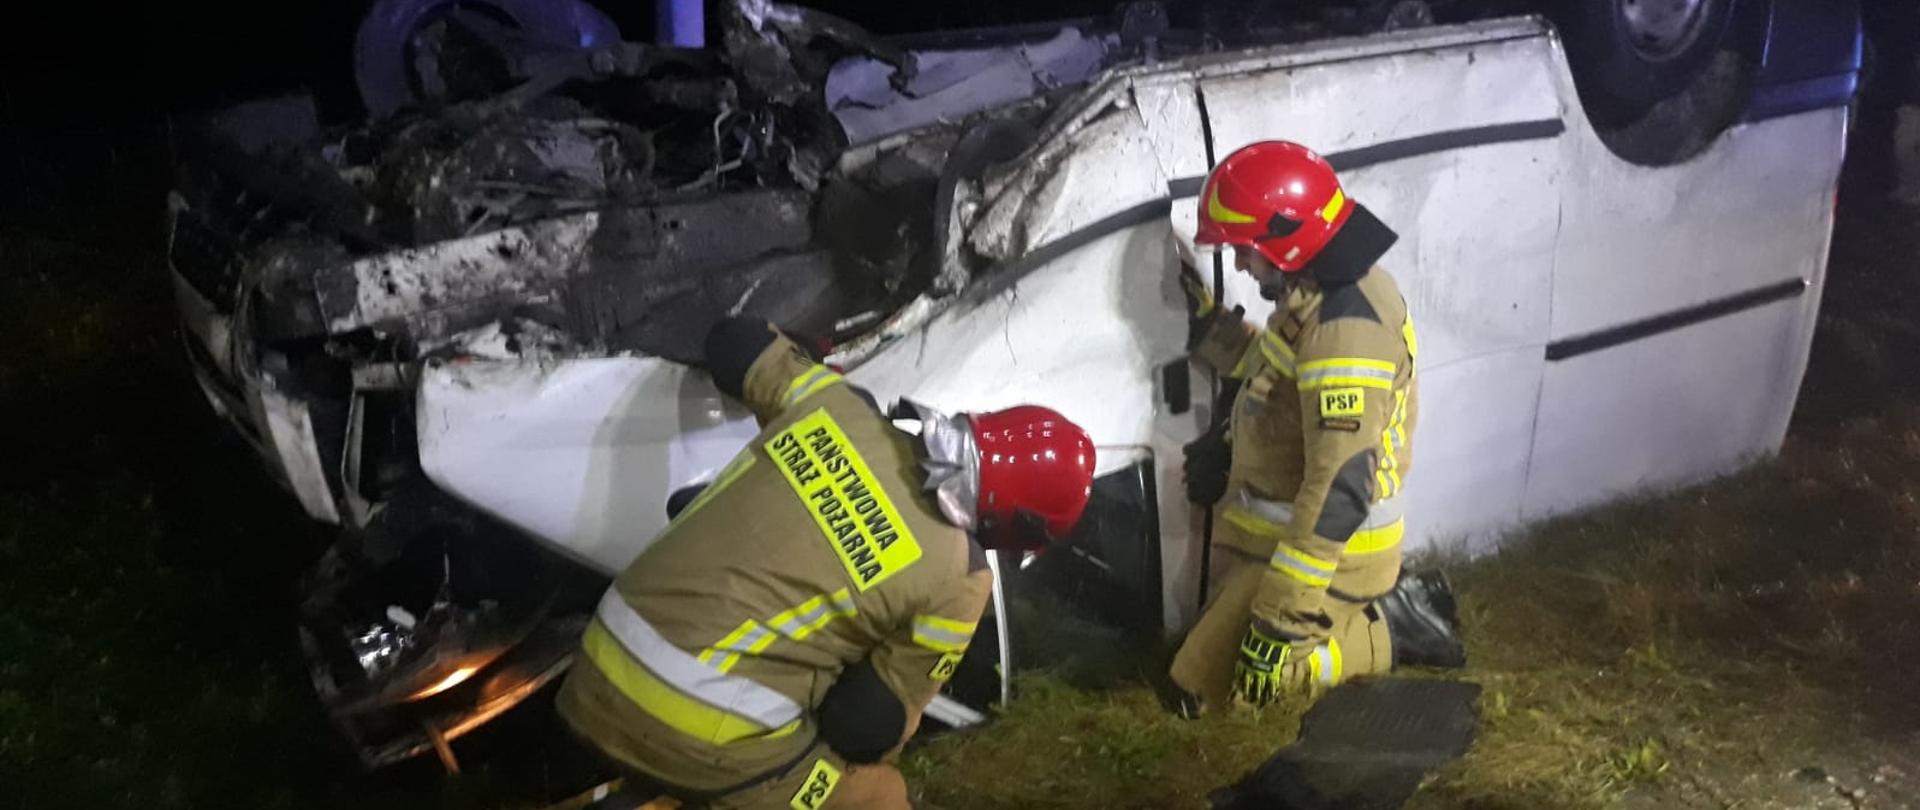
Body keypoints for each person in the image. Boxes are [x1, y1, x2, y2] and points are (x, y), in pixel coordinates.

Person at [557, 316, 1097, 809]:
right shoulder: (962, 578)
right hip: (703, 730)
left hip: (597, 663)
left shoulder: (836, 405)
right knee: (881, 794)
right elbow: (864, 727)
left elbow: (732, 341)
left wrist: (806, 348)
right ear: (1020, 525)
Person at [1166, 140, 1464, 714]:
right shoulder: (1321, 294)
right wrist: (1207, 327)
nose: (1240, 265)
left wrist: (1279, 624)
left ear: (1286, 242)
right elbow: (1273, 370)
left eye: (1245, 251)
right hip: (1290, 542)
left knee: (1224, 694)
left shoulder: (1344, 335)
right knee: (1191, 682)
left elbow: (1338, 495)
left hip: (1340, 556)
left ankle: (1392, 627)